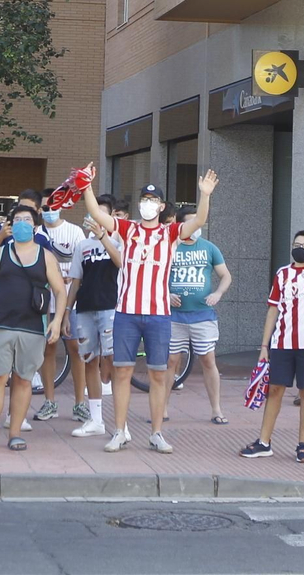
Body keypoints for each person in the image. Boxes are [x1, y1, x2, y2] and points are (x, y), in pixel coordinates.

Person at [82, 170, 215, 455]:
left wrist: (204, 194)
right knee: (122, 373)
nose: (148, 203)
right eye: (144, 198)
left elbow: (200, 220)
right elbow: (95, 212)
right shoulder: (127, 228)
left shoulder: (170, 233)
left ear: (162, 205)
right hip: (127, 312)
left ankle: (156, 433)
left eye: (153, 199)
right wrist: (87, 186)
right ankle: (119, 431)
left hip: (158, 314)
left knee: (158, 374)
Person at [241, 224, 304, 461]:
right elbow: (272, 310)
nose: (301, 250)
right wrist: (264, 346)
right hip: (282, 343)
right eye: (297, 245)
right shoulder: (282, 274)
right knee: (275, 390)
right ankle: (264, 441)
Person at [0, 203, 68, 453]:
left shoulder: (46, 256)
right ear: (10, 226)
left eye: (27, 220)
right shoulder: (1, 253)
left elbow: (60, 290)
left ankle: (15, 433)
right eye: (17, 220)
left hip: (33, 327)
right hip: (1, 324)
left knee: (23, 381)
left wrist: (57, 321)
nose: (22, 224)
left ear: (35, 227)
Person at [167, 204, 233, 424]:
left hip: (203, 315)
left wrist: (218, 293)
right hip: (173, 315)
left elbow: (225, 276)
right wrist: (166, 294)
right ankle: (162, 408)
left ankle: (216, 409)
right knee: (171, 360)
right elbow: (154, 275)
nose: (196, 226)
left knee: (207, 360)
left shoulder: (209, 248)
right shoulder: (169, 246)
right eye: (191, 221)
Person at [66, 211, 122, 439]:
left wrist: (103, 238)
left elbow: (121, 263)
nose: (93, 220)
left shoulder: (119, 242)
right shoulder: (82, 245)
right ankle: (95, 419)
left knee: (113, 362)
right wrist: (66, 312)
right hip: (85, 308)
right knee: (89, 360)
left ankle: (121, 423)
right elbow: (76, 279)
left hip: (111, 307)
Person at [29, 200, 83, 421]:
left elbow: (82, 265)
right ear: (39, 210)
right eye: (46, 207)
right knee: (47, 350)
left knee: (76, 349)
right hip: (43, 302)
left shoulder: (75, 231)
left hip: (71, 301)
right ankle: (49, 401)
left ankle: (80, 403)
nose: (50, 211)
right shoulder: (36, 233)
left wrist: (72, 278)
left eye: (54, 205)